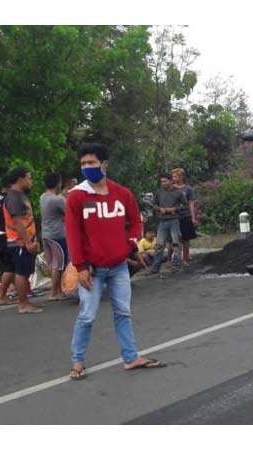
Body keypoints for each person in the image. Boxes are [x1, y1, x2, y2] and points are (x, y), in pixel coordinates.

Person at [65, 143, 165, 381]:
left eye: (91, 163)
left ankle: (131, 358)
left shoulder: (122, 194)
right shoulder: (77, 197)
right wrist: (80, 267)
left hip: (119, 266)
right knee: (87, 316)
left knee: (123, 312)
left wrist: (130, 244)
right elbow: (73, 234)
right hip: (91, 268)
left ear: (104, 165)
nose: (87, 167)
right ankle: (77, 362)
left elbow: (136, 222)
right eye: (83, 164)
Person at [3, 168, 43, 314]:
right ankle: (23, 304)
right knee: (21, 273)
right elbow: (17, 221)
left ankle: (25, 301)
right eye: (29, 178)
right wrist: (27, 242)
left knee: (25, 272)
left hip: (26, 240)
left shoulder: (20, 196)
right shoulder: (13, 197)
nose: (30, 181)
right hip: (19, 242)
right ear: (20, 179)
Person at [41, 172, 72, 301]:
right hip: (58, 235)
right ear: (58, 183)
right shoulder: (58, 200)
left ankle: (58, 291)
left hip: (46, 234)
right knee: (59, 265)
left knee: (54, 263)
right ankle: (54, 292)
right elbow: (69, 211)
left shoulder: (43, 196)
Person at [148, 173, 187, 277]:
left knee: (176, 244)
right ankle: (155, 268)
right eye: (161, 182)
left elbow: (185, 205)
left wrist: (174, 209)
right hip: (162, 221)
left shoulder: (178, 192)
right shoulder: (158, 192)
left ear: (171, 181)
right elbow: (153, 205)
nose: (163, 183)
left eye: (165, 181)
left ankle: (176, 267)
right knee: (159, 246)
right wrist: (159, 209)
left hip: (174, 220)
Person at [0, 174, 16, 306]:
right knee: (11, 266)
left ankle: (15, 292)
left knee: (7, 265)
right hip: (4, 234)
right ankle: (1, 295)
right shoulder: (9, 199)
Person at [169, 168, 198, 267]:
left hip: (185, 216)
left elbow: (191, 204)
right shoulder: (170, 188)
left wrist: (193, 217)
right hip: (174, 217)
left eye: (175, 176)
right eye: (172, 176)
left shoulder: (188, 189)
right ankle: (171, 260)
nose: (173, 178)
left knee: (186, 239)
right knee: (173, 240)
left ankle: (185, 259)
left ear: (181, 177)